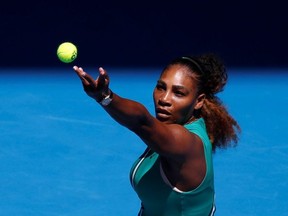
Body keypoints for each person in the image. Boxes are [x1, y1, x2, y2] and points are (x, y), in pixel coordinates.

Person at [73, 53, 240, 216]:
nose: (164, 99)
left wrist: (105, 97)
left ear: (199, 101)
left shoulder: (185, 142)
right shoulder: (174, 128)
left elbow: (141, 121)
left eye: (178, 93)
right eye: (161, 87)